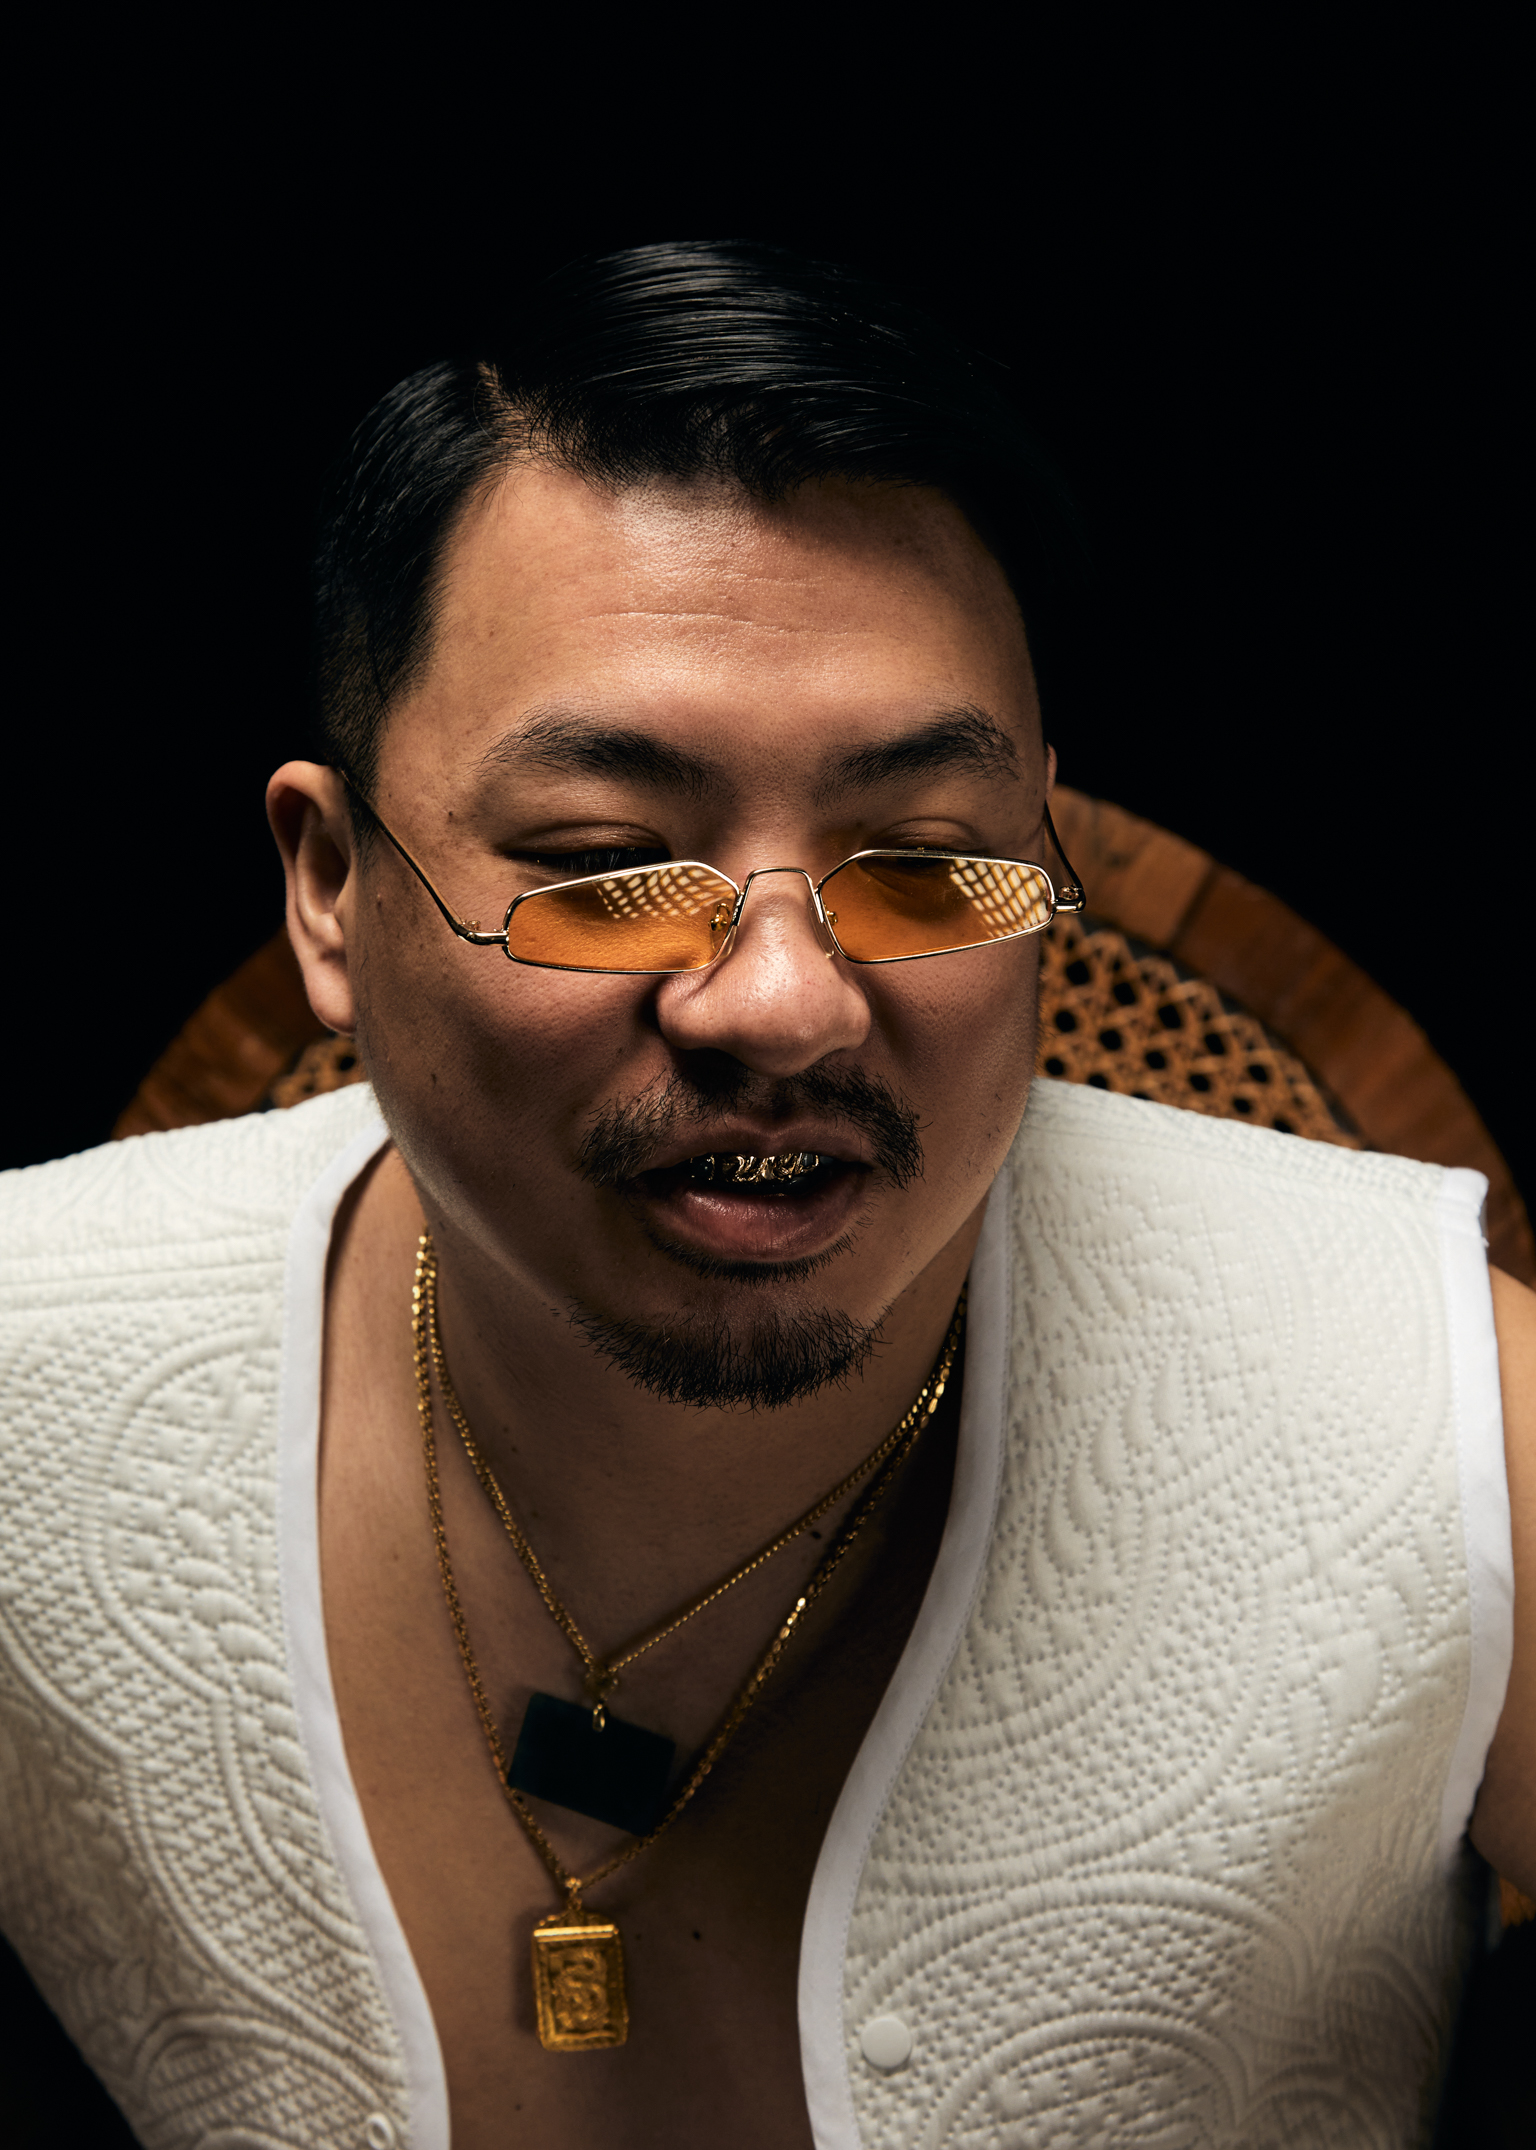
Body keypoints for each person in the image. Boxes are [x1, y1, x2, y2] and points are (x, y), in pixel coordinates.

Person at [0, 241, 1530, 2150]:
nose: (786, 1002)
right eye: (607, 859)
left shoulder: (1446, 1411)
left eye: (924, 857)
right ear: (330, 888)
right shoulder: (24, 1377)